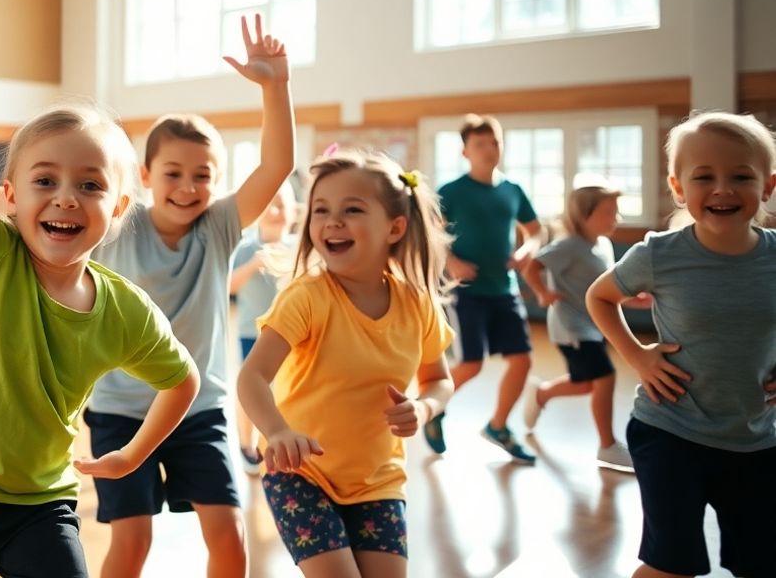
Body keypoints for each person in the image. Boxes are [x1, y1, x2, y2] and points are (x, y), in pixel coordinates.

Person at [0, 0, 200, 578]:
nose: (66, 197)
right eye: (44, 179)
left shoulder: (125, 311)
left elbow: (182, 381)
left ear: (120, 206)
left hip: (37, 503)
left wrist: (132, 455)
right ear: (11, 197)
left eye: (91, 185)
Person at [86, 13, 295, 578]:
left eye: (202, 175)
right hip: (121, 410)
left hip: (199, 411)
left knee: (229, 541)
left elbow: (277, 165)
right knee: (131, 544)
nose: (187, 187)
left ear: (217, 181)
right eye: (173, 173)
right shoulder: (118, 224)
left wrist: (275, 86)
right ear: (145, 175)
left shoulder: (219, 228)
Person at [238, 150, 455, 577]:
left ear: (395, 227)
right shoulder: (307, 296)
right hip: (301, 475)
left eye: (351, 209)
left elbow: (438, 380)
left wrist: (424, 407)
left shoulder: (418, 305)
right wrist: (277, 430)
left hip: (379, 481)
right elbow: (252, 377)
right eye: (321, 210)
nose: (332, 221)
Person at [586, 111, 776, 578]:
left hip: (753, 438)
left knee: (762, 562)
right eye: (704, 177)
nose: (722, 189)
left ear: (768, 186)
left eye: (740, 176)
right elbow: (600, 297)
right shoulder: (661, 254)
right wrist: (637, 357)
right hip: (670, 430)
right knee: (673, 565)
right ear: (677, 187)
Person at [427, 114, 543, 464]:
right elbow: (431, 233)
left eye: (495, 142)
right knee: (472, 364)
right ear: (466, 152)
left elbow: (536, 230)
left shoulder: (513, 190)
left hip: (504, 291)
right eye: (480, 144)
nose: (489, 149)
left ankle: (498, 426)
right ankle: (433, 407)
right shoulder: (451, 191)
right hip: (466, 292)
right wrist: (451, 262)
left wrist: (527, 250)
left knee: (521, 361)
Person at [520, 183, 641, 471]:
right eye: (609, 212)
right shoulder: (569, 245)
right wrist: (542, 294)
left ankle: (541, 394)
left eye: (617, 211)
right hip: (571, 327)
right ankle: (607, 445)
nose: (617, 218)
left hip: (592, 326)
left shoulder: (603, 245)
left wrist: (635, 300)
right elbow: (532, 267)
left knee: (587, 383)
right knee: (605, 377)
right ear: (584, 215)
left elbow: (606, 288)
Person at [229, 183, 298, 475]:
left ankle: (279, 438)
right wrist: (256, 263)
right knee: (250, 390)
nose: (274, 211)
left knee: (285, 390)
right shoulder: (246, 247)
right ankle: (246, 443)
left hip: (292, 335)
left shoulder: (299, 247)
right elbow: (229, 285)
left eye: (282, 204)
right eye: (268, 204)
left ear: (293, 211)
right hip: (252, 333)